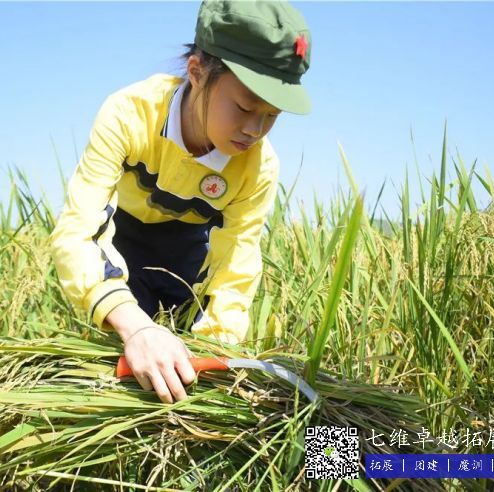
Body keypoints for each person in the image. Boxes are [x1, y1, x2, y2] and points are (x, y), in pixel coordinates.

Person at [50, 0, 312, 404]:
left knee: (181, 373)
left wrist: (214, 355)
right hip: (119, 243)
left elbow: (235, 266)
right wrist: (136, 327)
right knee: (126, 369)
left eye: (272, 115)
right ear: (197, 73)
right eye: (244, 107)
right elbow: (79, 231)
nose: (255, 129)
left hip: (189, 252)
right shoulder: (129, 114)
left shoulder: (259, 167)